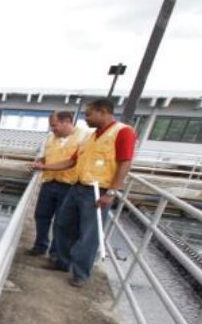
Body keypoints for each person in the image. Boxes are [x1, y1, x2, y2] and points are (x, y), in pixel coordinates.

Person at [31, 98, 136, 287]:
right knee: (63, 225)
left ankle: (80, 273)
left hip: (98, 190)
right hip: (77, 186)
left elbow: (125, 163)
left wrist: (111, 192)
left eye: (89, 114)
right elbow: (71, 162)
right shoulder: (90, 137)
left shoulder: (123, 132)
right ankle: (62, 262)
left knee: (88, 233)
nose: (85, 118)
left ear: (103, 112)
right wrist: (44, 167)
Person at [27, 111, 85, 257]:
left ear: (66, 122)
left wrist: (44, 167)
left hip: (69, 185)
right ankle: (40, 246)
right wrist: (40, 161)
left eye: (54, 125)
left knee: (62, 222)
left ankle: (56, 254)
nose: (52, 129)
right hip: (49, 182)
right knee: (41, 215)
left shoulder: (83, 138)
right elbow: (47, 157)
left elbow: (72, 162)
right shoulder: (51, 138)